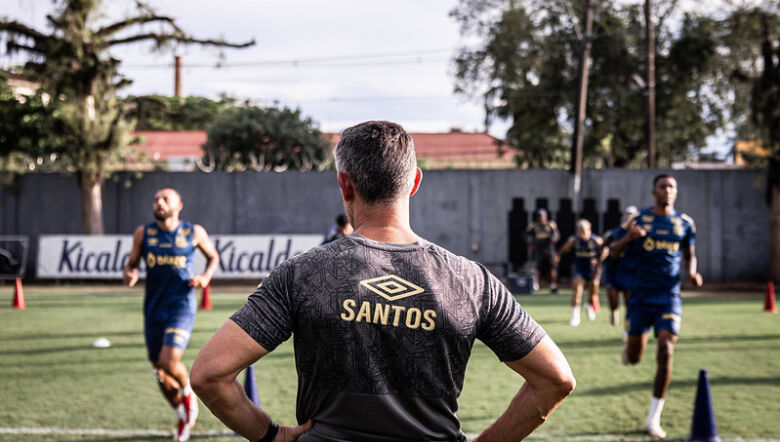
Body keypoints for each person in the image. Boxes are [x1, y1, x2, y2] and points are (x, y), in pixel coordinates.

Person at [191, 120, 575, 442]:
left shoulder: (302, 273)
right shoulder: (471, 281)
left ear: (344, 184)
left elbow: (210, 374)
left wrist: (271, 436)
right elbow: (555, 379)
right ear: (414, 183)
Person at [122, 188, 220, 442]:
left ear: (179, 205)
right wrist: (130, 273)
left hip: (181, 305)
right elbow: (131, 264)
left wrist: (205, 277)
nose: (159, 203)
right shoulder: (143, 234)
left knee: (169, 361)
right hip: (153, 307)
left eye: (165, 199)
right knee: (160, 371)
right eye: (156, 199)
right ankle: (183, 415)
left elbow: (213, 257)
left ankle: (188, 394)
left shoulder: (193, 232)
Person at [609, 174, 702, 438]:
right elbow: (613, 251)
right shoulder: (639, 220)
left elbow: (690, 255)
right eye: (663, 186)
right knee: (635, 358)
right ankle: (629, 345)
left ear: (676, 191)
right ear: (654, 191)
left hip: (669, 295)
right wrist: (629, 237)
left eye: (672, 186)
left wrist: (693, 273)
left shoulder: (684, 224)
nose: (668, 190)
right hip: (639, 296)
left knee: (666, 349)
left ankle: (653, 418)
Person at [553, 219, 607, 326]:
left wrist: (597, 260)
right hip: (580, 269)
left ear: (589, 230)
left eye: (584, 231)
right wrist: (558, 255)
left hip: (592, 270)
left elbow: (605, 251)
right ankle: (575, 316)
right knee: (577, 291)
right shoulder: (574, 240)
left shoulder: (596, 240)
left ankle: (589, 305)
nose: (582, 234)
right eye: (579, 231)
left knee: (593, 290)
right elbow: (565, 248)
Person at [602, 205, 639, 326]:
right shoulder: (613, 233)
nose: (628, 218)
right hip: (612, 269)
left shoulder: (638, 234)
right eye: (626, 215)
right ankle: (614, 311)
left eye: (631, 216)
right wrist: (598, 259)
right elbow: (604, 248)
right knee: (613, 297)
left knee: (629, 299)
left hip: (628, 269)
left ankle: (628, 323)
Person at [525, 208, 560, 293]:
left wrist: (553, 241)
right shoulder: (533, 226)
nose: (541, 218)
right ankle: (536, 285)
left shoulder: (551, 224)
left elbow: (557, 234)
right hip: (538, 250)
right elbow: (525, 235)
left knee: (552, 267)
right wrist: (531, 245)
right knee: (537, 268)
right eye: (540, 216)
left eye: (543, 216)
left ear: (546, 216)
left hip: (549, 249)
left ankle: (553, 285)